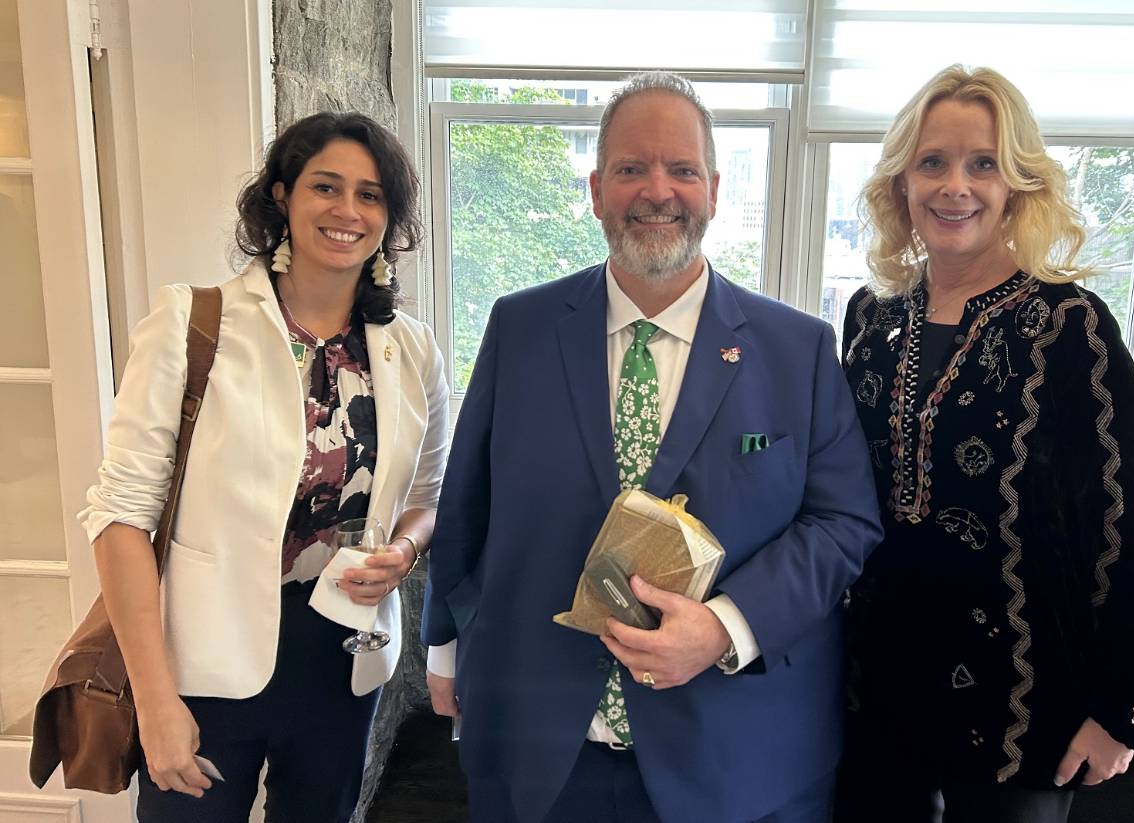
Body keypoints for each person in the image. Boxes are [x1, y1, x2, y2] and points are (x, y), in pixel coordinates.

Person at [421, 71, 883, 823]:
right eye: (632, 169)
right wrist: (444, 646)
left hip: (734, 755)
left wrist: (726, 625)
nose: (656, 190)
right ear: (598, 188)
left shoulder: (795, 349)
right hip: (539, 747)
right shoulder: (521, 328)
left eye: (681, 169)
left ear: (713, 188)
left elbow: (842, 525)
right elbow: (468, 502)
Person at [80, 111, 448, 822]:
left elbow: (427, 493)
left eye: (371, 195)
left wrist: (403, 549)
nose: (348, 211)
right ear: (281, 196)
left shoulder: (411, 348)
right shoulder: (193, 323)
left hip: (345, 654)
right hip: (203, 659)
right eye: (326, 187)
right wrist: (156, 702)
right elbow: (120, 515)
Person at [835, 65, 1134, 823]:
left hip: (1024, 700)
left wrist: (1120, 704)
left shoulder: (1070, 326)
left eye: (982, 163)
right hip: (875, 686)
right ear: (900, 184)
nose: (956, 186)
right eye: (932, 162)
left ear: (1016, 182)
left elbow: (1118, 526)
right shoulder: (870, 318)